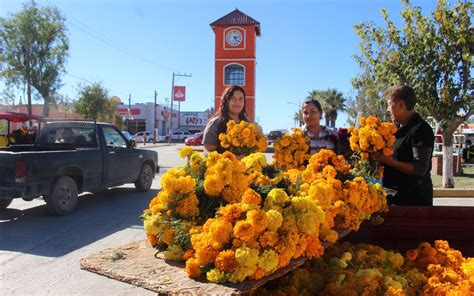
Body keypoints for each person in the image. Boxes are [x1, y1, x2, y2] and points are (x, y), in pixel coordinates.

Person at [372, 85, 435, 206]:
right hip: (393, 197)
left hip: (413, 203)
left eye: (390, 105)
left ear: (401, 105)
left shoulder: (421, 129)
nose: (387, 109)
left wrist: (391, 162)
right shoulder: (394, 129)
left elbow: (420, 168)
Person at [203, 85, 248, 154]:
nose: (237, 102)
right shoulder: (215, 123)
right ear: (226, 101)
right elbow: (208, 152)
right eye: (233, 98)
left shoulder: (248, 123)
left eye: (241, 99)